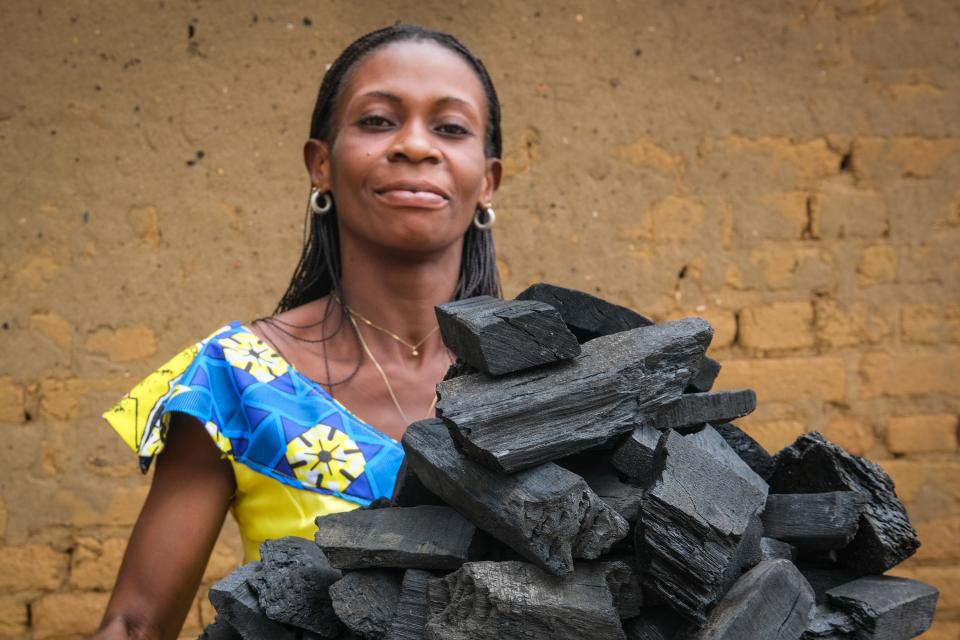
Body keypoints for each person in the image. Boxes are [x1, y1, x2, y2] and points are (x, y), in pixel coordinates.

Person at [95, 23, 503, 639]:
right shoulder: (234, 380)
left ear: (488, 180)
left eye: (450, 128)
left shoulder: (558, 384)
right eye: (376, 121)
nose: (416, 146)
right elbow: (134, 625)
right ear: (321, 166)